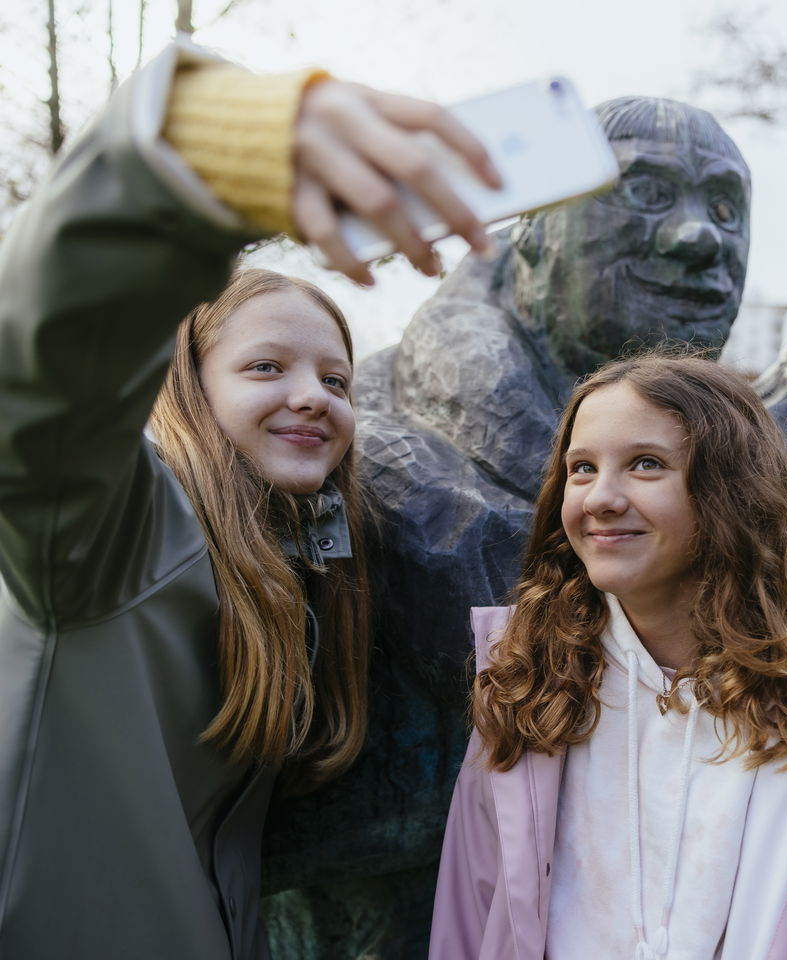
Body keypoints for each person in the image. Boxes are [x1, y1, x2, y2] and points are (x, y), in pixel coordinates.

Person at [0, 41, 498, 959]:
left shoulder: (298, 559)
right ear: (186, 387)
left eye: (337, 379)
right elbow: (46, 365)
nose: (313, 394)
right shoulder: (104, 534)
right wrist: (197, 151)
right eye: (266, 367)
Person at [429, 354, 787, 960]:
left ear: (730, 491)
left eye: (646, 464)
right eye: (581, 468)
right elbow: (470, 920)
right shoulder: (526, 683)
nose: (601, 497)